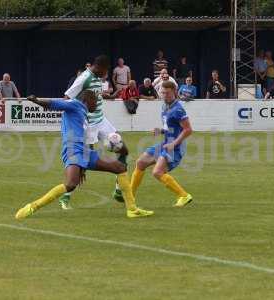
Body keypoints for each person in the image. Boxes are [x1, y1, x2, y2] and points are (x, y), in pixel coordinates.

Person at [15, 91, 153, 219]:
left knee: (120, 167)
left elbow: (85, 138)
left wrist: (84, 165)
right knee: (70, 184)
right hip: (73, 150)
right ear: (87, 100)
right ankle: (32, 207)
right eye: (95, 101)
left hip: (84, 151)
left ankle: (132, 209)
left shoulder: (83, 113)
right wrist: (36, 101)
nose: (97, 104)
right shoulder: (75, 104)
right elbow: (54, 104)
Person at [60, 55, 128, 209]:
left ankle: (118, 190)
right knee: (81, 165)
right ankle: (65, 196)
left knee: (123, 150)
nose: (106, 74)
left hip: (101, 121)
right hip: (87, 124)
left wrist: (110, 96)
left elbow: (95, 95)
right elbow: (66, 98)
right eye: (106, 71)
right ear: (99, 67)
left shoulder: (97, 78)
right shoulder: (84, 78)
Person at [130, 81, 193, 207]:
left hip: (175, 147)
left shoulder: (178, 109)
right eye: (162, 93)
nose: (164, 95)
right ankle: (129, 195)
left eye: (167, 93)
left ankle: (184, 196)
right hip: (166, 143)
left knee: (157, 172)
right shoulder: (165, 106)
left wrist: (174, 144)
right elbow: (172, 128)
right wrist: (161, 130)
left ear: (174, 92)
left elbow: (188, 130)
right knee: (141, 162)